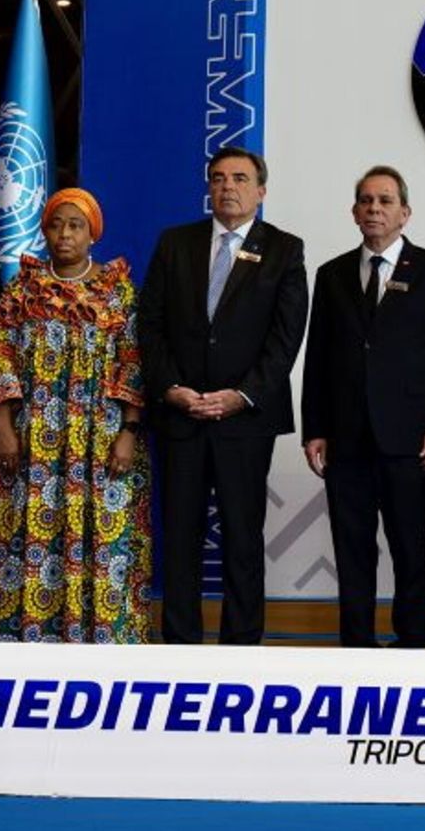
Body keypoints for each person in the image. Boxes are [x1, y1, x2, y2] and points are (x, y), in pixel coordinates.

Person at [0, 189, 152, 642]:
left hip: (101, 440)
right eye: (55, 225)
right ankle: (30, 637)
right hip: (35, 440)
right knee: (32, 537)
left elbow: (135, 363)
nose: (64, 234)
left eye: (75, 225)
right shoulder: (22, 288)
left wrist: (128, 431)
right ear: (43, 230)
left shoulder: (117, 290)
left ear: (92, 233)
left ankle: (99, 636)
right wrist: (4, 428)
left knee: (102, 540)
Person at [139, 147, 308, 645]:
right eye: (218, 178)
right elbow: (149, 325)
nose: (227, 187)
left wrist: (242, 395)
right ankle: (181, 647)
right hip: (181, 417)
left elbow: (286, 338)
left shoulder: (284, 249)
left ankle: (242, 648)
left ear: (261, 190)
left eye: (239, 178)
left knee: (241, 539)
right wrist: (170, 388)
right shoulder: (176, 243)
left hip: (244, 422)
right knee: (181, 538)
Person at [302, 166, 425, 648]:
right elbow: (318, 358)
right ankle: (357, 647)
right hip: (347, 439)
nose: (375, 208)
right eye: (366, 200)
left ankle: (413, 645)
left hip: (410, 440)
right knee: (351, 551)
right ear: (355, 212)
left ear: (405, 213)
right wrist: (316, 429)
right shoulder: (331, 274)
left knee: (408, 548)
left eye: (385, 201)